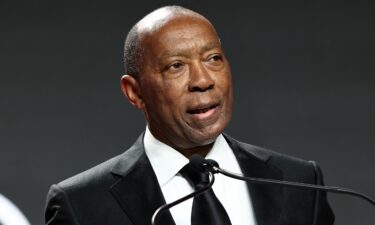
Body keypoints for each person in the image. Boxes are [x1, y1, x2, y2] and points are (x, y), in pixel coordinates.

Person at [45, 5, 334, 225]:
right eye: (176, 66)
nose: (202, 80)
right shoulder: (81, 205)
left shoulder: (301, 183)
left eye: (213, 59)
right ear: (134, 92)